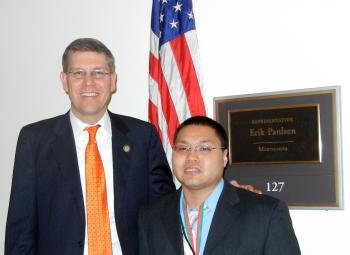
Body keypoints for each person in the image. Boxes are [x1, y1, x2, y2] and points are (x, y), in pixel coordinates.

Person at [5, 38, 176, 255]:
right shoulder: (34, 140)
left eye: (98, 73)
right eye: (78, 73)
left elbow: (165, 211)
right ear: (64, 81)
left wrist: (221, 195)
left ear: (113, 80)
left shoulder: (143, 136)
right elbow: (20, 227)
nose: (89, 82)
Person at [138, 116, 301, 255]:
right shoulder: (151, 217)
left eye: (204, 148)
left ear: (225, 157)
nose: (191, 156)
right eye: (183, 148)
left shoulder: (266, 214)